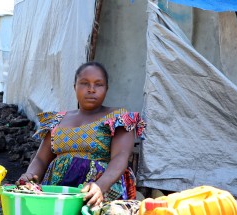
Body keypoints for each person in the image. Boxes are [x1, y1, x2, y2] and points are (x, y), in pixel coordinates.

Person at [19, 61, 146, 208]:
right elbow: (41, 158)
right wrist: (30, 176)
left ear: (107, 88)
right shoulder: (57, 120)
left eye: (98, 84)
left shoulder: (119, 117)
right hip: (57, 192)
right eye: (85, 83)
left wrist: (100, 186)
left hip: (98, 193)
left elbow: (120, 157)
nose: (91, 89)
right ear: (75, 87)